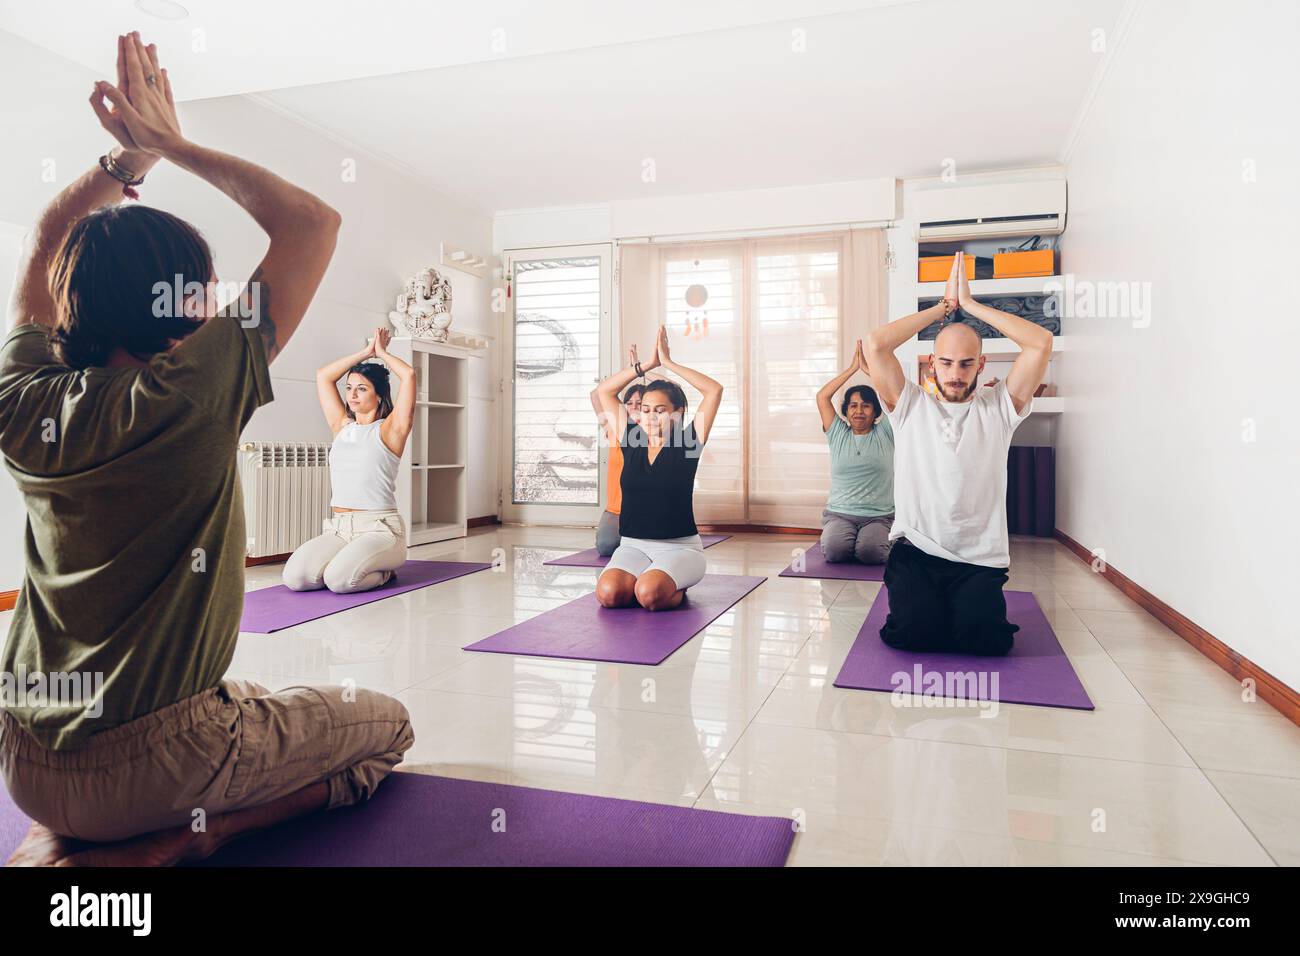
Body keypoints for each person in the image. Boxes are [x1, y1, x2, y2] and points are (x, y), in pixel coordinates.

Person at [0, 34, 412, 866]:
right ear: (185, 303)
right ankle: (189, 838)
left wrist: (124, 165)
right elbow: (311, 222)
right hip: (157, 768)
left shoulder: (20, 397)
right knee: (387, 726)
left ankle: (73, 833)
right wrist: (171, 147)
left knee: (255, 695)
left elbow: (48, 238)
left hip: (25, 761)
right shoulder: (189, 391)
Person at [865, 251, 1051, 656]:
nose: (955, 373)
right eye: (946, 363)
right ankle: (928, 609)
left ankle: (959, 610)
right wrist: (943, 308)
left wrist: (971, 306)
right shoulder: (910, 406)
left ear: (981, 365)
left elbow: (1040, 344)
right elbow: (875, 344)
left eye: (966, 364)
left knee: (986, 643)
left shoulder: (1000, 408)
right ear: (932, 364)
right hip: (916, 551)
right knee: (914, 637)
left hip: (978, 557)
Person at [592, 326, 722, 611]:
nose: (650, 417)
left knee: (649, 595)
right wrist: (645, 367)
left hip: (680, 548)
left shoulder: (688, 443)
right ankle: (646, 579)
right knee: (608, 594)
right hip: (632, 546)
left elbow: (714, 390)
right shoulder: (631, 439)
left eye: (660, 411)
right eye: (646, 410)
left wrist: (669, 364)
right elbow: (604, 391)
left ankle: (672, 585)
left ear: (677, 413)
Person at [282, 327, 414, 593]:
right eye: (349, 388)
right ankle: (352, 561)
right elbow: (323, 377)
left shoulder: (390, 430)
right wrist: (365, 353)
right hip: (340, 530)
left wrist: (382, 353)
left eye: (362, 389)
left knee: (339, 581)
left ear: (378, 395)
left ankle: (385, 572)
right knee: (296, 578)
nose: (352, 395)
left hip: (380, 530)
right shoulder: (342, 426)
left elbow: (409, 375)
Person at [815, 338, 895, 564]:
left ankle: (885, 537)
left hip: (878, 516)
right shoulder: (837, 433)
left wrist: (868, 370)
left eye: (866, 405)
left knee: (872, 553)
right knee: (834, 553)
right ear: (846, 410)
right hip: (840, 513)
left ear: (875, 410)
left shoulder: (885, 432)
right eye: (853, 405)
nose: (859, 411)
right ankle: (847, 537)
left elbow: (892, 394)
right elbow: (822, 397)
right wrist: (852, 369)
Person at [588, 348, 644, 557]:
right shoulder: (613, 430)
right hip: (616, 509)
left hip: (644, 509)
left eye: (640, 403)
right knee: (606, 547)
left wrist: (644, 372)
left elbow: (673, 389)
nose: (634, 407)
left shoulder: (656, 434)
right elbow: (596, 395)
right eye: (629, 403)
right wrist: (632, 371)